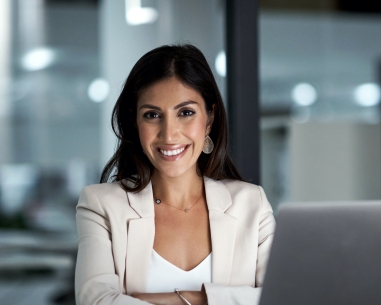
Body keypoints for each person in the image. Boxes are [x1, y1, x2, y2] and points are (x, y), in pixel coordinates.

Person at [74, 44, 276, 305]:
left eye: (186, 112)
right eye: (152, 115)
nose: (168, 135)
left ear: (210, 119)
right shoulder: (101, 205)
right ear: (135, 123)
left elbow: (281, 297)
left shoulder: (251, 204)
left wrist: (190, 299)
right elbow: (96, 302)